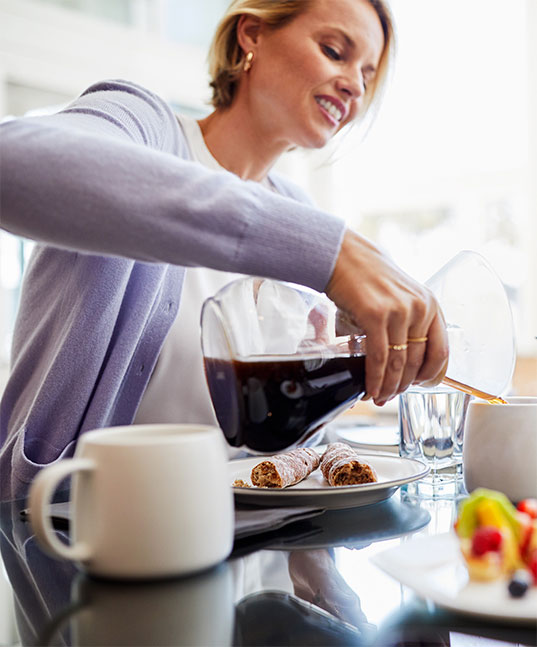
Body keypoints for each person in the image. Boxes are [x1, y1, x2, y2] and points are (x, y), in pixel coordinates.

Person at [0, 0, 448, 501]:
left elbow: (290, 439)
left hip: (246, 548)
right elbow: (11, 163)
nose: (355, 86)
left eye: (367, 75)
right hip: (86, 544)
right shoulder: (145, 128)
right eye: (334, 51)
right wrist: (330, 251)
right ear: (251, 34)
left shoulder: (295, 207)